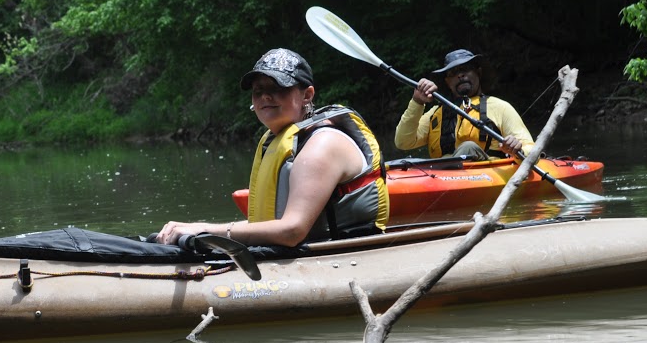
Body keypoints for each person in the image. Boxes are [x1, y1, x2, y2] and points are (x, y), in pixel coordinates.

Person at [155, 48, 388, 248]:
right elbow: (271, 222)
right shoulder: (284, 140)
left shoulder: (322, 144)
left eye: (278, 87)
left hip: (343, 259)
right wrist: (197, 228)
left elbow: (292, 231)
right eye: (258, 90)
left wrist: (206, 230)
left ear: (307, 95)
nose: (266, 96)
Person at [394, 48, 534, 160]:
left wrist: (518, 148)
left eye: (465, 69)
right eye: (453, 73)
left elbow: (531, 149)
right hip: (444, 176)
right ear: (448, 82)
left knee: (468, 148)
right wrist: (417, 102)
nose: (460, 75)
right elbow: (403, 142)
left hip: (486, 174)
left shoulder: (500, 107)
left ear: (478, 73)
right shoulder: (436, 113)